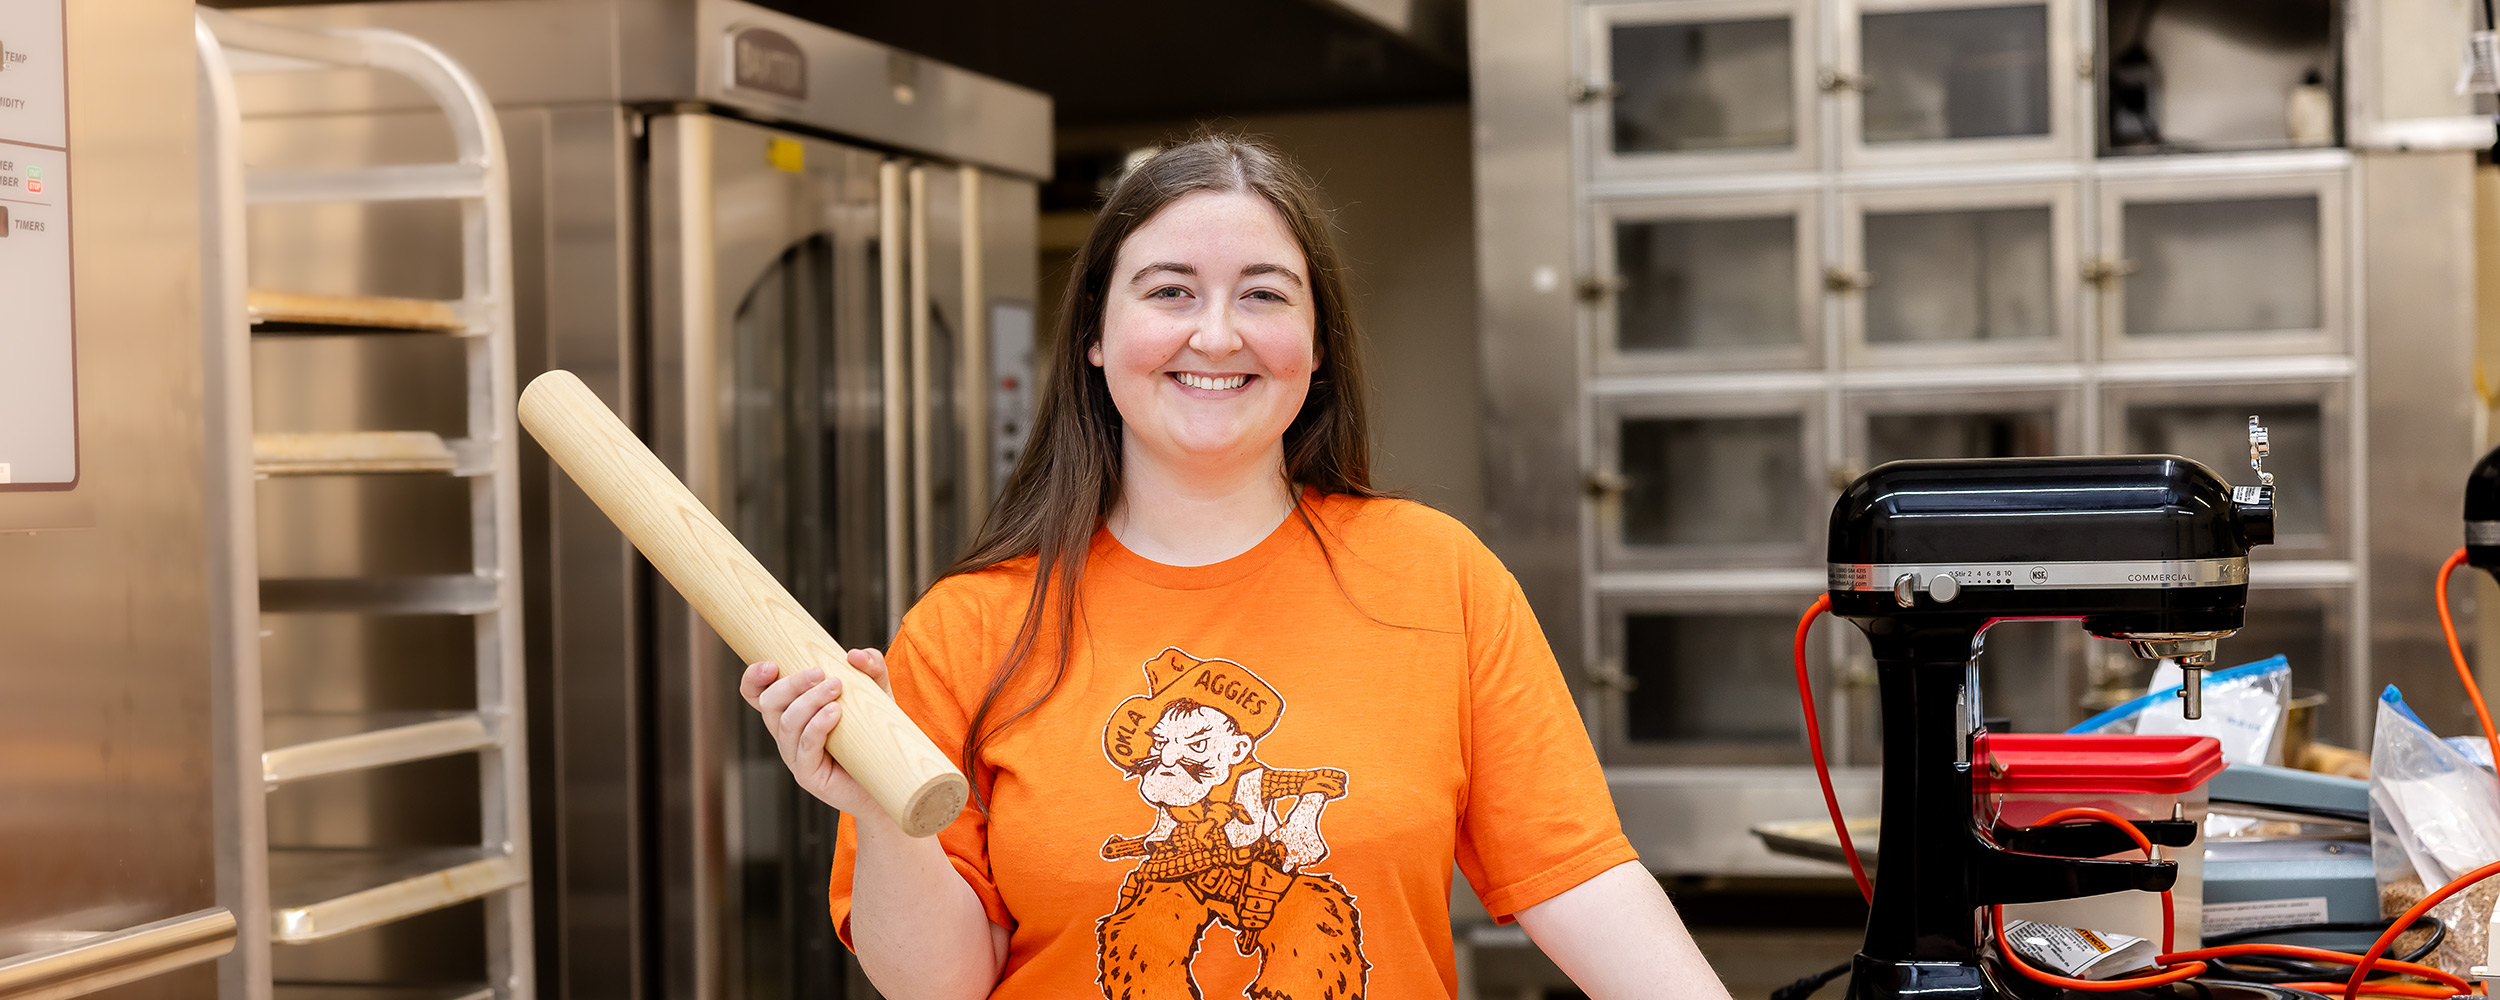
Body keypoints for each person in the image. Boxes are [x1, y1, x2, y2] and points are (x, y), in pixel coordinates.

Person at [740, 134, 1733, 1000]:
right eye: (1170, 291)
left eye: (1262, 295)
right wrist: (885, 816)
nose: (1215, 335)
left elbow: (1582, 882)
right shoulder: (969, 628)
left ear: (1314, 346)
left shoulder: (1438, 578)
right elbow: (941, 985)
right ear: (1095, 334)